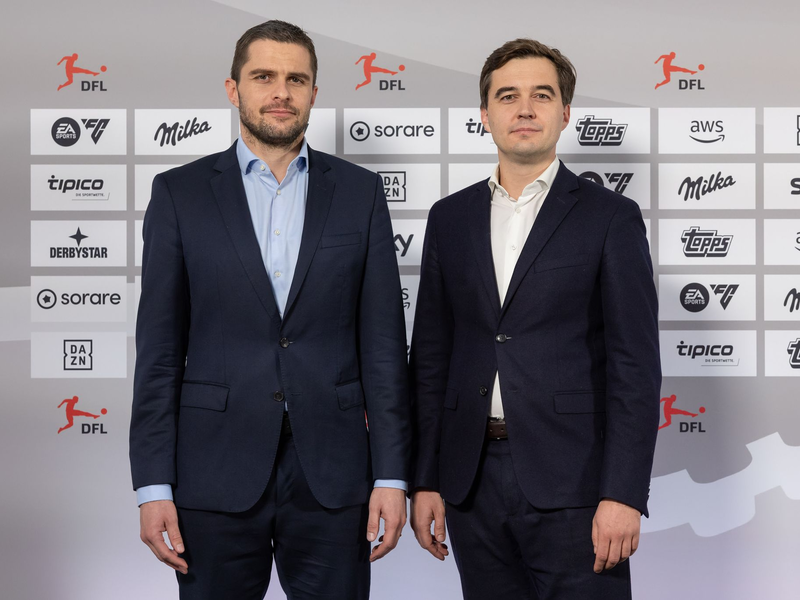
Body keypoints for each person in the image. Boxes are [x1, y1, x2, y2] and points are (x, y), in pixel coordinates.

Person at [129, 20, 410, 600]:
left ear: (313, 92)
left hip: (334, 478)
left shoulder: (360, 192)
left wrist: (391, 474)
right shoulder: (178, 194)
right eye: (264, 77)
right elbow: (158, 354)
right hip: (213, 475)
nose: (280, 92)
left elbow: (383, 348)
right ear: (234, 89)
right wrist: (153, 485)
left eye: (295, 79)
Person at [409, 38, 661, 599]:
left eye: (541, 95)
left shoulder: (611, 218)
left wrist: (623, 493)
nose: (524, 108)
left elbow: (634, 367)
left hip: (576, 485)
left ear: (564, 112)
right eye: (508, 96)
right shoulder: (449, 219)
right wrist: (424, 478)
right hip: (469, 481)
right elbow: (430, 358)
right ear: (485, 115)